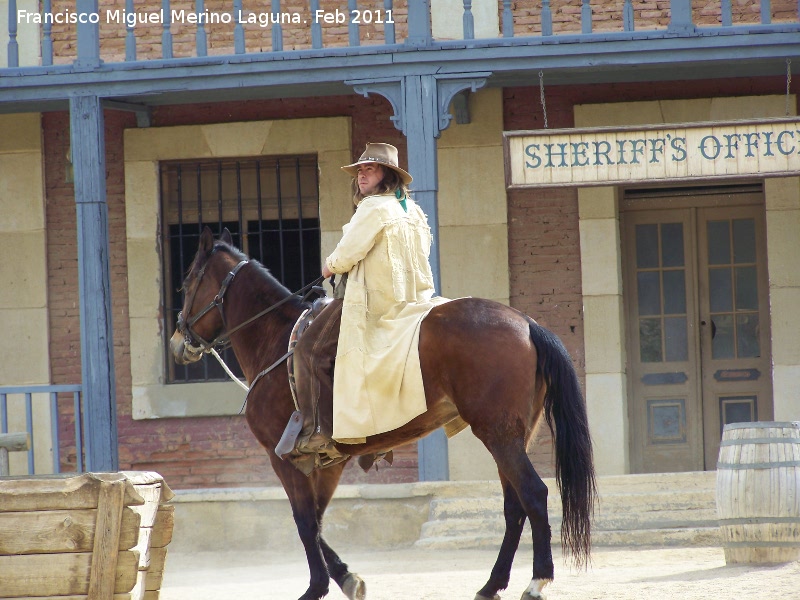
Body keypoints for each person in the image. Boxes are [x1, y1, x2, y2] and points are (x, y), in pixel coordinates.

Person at [286, 142, 447, 471]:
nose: (362, 175)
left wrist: (328, 266)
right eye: (360, 169)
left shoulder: (373, 208)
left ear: (386, 175)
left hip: (373, 302)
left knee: (308, 351)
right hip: (412, 302)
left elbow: (346, 256)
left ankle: (318, 432)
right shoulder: (414, 212)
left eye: (369, 169)